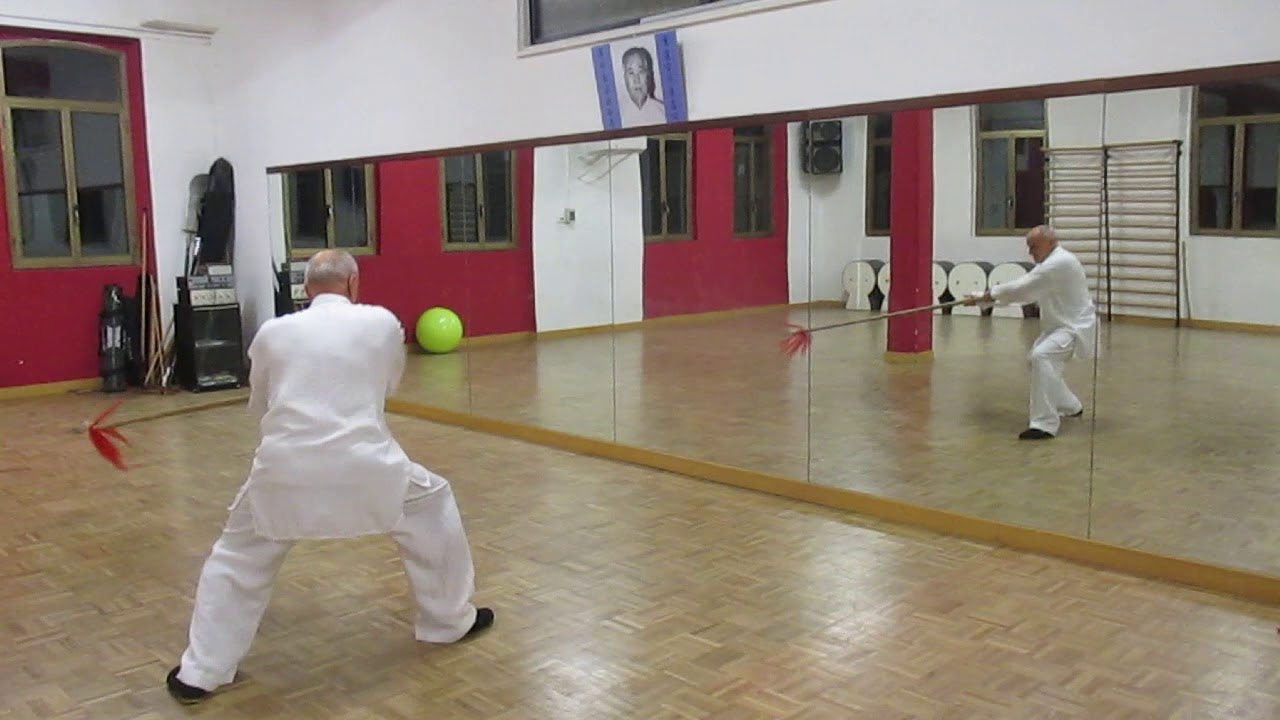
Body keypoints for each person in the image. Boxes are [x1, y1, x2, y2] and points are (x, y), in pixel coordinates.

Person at [166, 249, 493, 704]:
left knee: (236, 558)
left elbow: (261, 401)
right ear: (354, 284)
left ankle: (201, 671)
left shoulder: (271, 333)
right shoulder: (381, 324)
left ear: (304, 289)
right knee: (433, 503)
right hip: (371, 467)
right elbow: (386, 387)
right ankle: (448, 622)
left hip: (283, 472)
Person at [963, 224, 1097, 440]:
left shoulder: (1059, 262)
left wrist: (985, 295)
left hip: (1074, 328)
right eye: (1029, 246)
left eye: (1034, 246)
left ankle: (1044, 424)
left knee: (1041, 356)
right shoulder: (1050, 263)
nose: (1030, 251)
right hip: (1059, 327)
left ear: (1051, 243)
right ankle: (1070, 405)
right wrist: (985, 300)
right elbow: (1028, 294)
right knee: (1037, 360)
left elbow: (1022, 287)